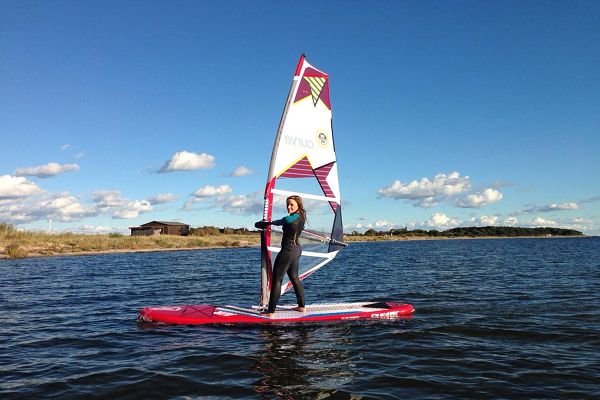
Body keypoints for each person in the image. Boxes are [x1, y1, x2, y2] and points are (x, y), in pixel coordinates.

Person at [255, 195, 306, 317]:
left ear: (298, 205)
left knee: (277, 279)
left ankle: (270, 311)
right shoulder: (302, 217)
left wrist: (265, 224)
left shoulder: (290, 218)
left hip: (288, 250)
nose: (288, 207)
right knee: (294, 277)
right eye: (287, 204)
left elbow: (279, 222)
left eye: (291, 204)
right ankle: (301, 306)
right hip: (297, 250)